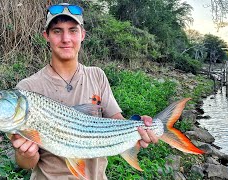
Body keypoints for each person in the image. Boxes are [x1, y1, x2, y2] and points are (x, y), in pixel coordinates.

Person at [10, 3, 158, 180]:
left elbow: (117, 122)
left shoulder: (97, 75)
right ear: (46, 36)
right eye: (57, 31)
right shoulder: (27, 89)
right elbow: (27, 164)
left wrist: (136, 130)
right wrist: (26, 154)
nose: (66, 38)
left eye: (73, 30)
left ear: (82, 35)